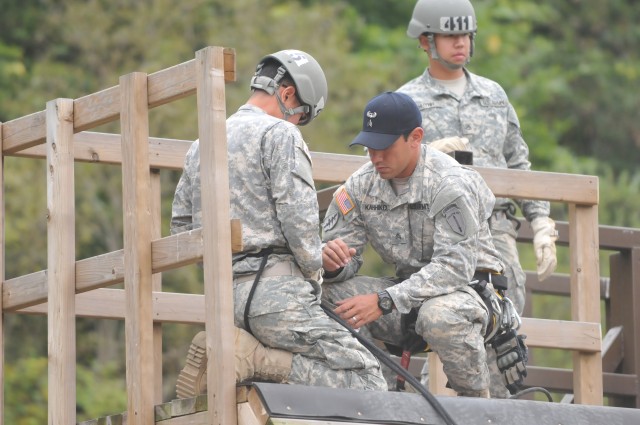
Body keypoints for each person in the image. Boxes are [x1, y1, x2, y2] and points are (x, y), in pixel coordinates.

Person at [171, 49, 387, 399]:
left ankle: (249, 357)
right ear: (288, 95)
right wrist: (317, 269)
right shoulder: (280, 135)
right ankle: (256, 359)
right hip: (278, 296)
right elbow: (299, 222)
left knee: (278, 392)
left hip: (225, 301)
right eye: (302, 116)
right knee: (368, 381)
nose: (298, 124)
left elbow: (182, 229)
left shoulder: (201, 144)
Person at [321, 91, 525, 398]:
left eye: (384, 147)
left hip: (467, 293)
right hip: (406, 296)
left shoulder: (448, 182)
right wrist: (331, 263)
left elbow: (455, 268)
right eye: (369, 147)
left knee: (438, 315)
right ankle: (377, 395)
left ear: (415, 137)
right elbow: (341, 253)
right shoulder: (360, 186)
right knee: (324, 295)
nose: (375, 157)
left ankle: (473, 405)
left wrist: (384, 300)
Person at [397, 0, 558, 316]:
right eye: (448, 35)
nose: (460, 42)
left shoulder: (494, 95)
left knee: (506, 322)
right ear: (425, 41)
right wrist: (423, 154)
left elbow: (518, 161)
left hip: (495, 225)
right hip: (435, 227)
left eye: (466, 35)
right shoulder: (406, 101)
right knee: (441, 322)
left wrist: (540, 221)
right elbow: (380, 164)